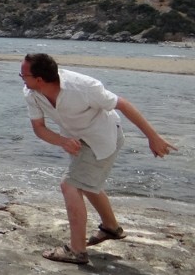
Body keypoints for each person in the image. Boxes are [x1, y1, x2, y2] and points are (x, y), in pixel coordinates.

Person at [19, 53, 177, 265]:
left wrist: (153, 137)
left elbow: (123, 104)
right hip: (79, 140)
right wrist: (62, 141)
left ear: (39, 79)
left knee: (70, 186)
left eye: (23, 75)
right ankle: (111, 228)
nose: (21, 78)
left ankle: (77, 251)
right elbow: (38, 128)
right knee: (86, 183)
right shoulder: (32, 93)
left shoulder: (83, 86)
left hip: (104, 138)